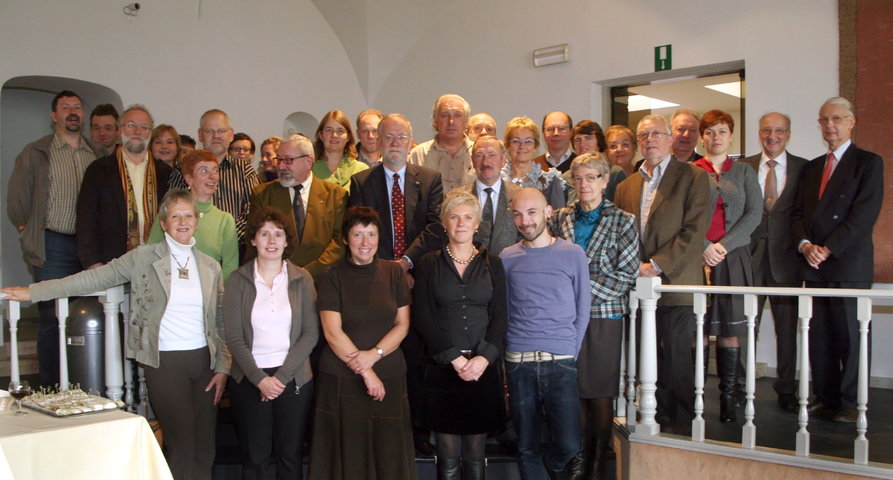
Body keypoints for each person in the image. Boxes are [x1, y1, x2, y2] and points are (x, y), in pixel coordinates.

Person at [2, 189, 229, 480]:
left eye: (188, 215)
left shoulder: (210, 265)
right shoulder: (143, 258)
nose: (182, 221)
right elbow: (91, 278)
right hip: (165, 363)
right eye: (175, 215)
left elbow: (221, 319)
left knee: (205, 448)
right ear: (164, 222)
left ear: (197, 221)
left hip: (205, 363)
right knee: (182, 446)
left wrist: (223, 366)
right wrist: (33, 291)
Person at [348, 113, 444, 455]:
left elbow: (436, 227)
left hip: (418, 279)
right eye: (388, 137)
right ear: (377, 140)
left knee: (417, 357)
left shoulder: (430, 179)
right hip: (377, 282)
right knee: (382, 354)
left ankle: (418, 430)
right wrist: (388, 268)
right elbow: (359, 230)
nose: (394, 144)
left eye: (401, 137)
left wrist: (405, 262)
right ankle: (382, 427)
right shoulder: (362, 182)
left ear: (411, 140)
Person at [613, 114, 710, 431]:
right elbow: (621, 235)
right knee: (647, 355)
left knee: (677, 355)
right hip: (639, 285)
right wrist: (635, 268)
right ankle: (656, 414)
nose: (650, 139)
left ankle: (683, 421)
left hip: (677, 282)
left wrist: (656, 264)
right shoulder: (627, 185)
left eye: (657, 133)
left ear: (670, 139)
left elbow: (694, 231)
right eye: (644, 135)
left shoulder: (693, 177)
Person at [791, 97, 884, 423]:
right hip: (813, 264)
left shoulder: (868, 163)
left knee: (851, 335)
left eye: (837, 119)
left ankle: (849, 401)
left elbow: (863, 216)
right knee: (819, 336)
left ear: (851, 122)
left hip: (848, 263)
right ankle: (826, 397)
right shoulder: (811, 167)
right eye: (824, 120)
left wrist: (828, 248)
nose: (830, 125)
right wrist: (805, 246)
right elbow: (798, 213)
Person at [309, 206, 417, 479]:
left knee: (389, 457)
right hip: (342, 379)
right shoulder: (331, 277)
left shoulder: (394, 273)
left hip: (389, 376)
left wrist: (375, 355)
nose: (365, 242)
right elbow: (333, 333)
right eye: (357, 234)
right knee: (348, 459)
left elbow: (402, 324)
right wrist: (367, 370)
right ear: (346, 238)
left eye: (371, 234)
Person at [550, 153, 638, 479]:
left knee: (599, 392)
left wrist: (579, 292)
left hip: (604, 316)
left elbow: (625, 276)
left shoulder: (623, 220)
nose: (584, 184)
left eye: (591, 177)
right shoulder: (559, 218)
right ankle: (576, 463)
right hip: (565, 319)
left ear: (604, 180)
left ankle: (597, 465)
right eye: (579, 178)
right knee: (572, 391)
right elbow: (551, 265)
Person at [413, 190, 508, 480]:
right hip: (443, 369)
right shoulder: (429, 263)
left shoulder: (493, 262)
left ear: (477, 223)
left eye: (468, 217)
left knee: (476, 455)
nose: (461, 223)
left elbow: (501, 316)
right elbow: (423, 316)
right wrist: (454, 358)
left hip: (483, 368)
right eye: (454, 217)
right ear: (444, 223)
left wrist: (483, 359)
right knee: (448, 456)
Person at [7, 89, 97, 386]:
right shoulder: (36, 152)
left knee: (84, 317)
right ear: (54, 116)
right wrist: (27, 229)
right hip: (53, 244)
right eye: (65, 107)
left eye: (77, 107)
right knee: (52, 320)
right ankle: (50, 387)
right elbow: (17, 201)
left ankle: (82, 382)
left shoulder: (96, 153)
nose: (72, 112)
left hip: (87, 246)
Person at [501, 187, 590, 480]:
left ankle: (553, 468)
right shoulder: (506, 257)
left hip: (561, 360)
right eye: (518, 214)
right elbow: (503, 310)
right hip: (519, 360)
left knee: (568, 443)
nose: (525, 221)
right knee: (526, 446)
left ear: (548, 212)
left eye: (531, 212)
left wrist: (569, 352)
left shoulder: (572, 253)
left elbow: (583, 307)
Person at [224, 207, 318, 480]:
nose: (272, 241)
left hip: (294, 377)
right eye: (264, 234)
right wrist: (260, 380)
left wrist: (279, 378)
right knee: (255, 457)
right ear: (253, 240)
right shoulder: (238, 280)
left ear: (287, 241)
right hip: (249, 379)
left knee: (290, 455)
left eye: (278, 234)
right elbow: (233, 336)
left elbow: (310, 333)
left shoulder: (302, 278)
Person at [692, 110, 761, 423]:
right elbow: (685, 216)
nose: (715, 137)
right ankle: (697, 396)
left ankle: (729, 398)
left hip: (733, 257)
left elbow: (753, 214)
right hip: (698, 258)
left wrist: (723, 246)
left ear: (731, 136)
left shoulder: (744, 172)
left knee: (731, 328)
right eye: (709, 132)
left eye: (721, 131)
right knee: (699, 329)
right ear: (702, 137)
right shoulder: (691, 171)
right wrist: (706, 246)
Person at [742, 112, 807, 413]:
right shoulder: (743, 167)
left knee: (787, 332)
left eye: (779, 130)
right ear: (759, 132)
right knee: (747, 327)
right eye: (767, 130)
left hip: (786, 262)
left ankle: (786, 390)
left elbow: (804, 214)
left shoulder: (803, 169)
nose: (772, 136)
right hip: (750, 260)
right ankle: (745, 386)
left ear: (788, 134)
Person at [76, 104, 173, 270]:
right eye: (131, 125)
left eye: (144, 127)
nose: (137, 131)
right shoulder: (98, 170)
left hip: (158, 263)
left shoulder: (166, 174)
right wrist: (93, 263)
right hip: (110, 264)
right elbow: (86, 220)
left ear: (150, 133)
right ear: (120, 131)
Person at [249, 133, 347, 281]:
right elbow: (255, 240)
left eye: (288, 160)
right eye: (279, 160)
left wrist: (308, 272)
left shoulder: (336, 195)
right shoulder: (263, 195)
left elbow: (339, 243)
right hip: (276, 281)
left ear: (308, 161)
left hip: (323, 281)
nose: (281, 166)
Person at [170, 109, 259, 247]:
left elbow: (253, 210)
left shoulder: (245, 170)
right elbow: (172, 208)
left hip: (235, 249)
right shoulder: (182, 169)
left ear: (231, 135)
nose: (216, 136)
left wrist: (226, 236)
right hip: (191, 247)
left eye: (222, 131)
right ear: (200, 135)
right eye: (210, 131)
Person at [148, 150, 238, 281]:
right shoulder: (169, 213)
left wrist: (215, 293)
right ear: (189, 179)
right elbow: (150, 256)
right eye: (204, 170)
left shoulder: (225, 220)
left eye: (215, 170)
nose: (212, 176)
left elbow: (230, 267)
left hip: (209, 296)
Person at [456, 135, 520, 254]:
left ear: (503, 159)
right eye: (479, 156)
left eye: (492, 155)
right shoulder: (455, 198)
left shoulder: (520, 197)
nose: (486, 162)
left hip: (509, 269)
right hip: (467, 270)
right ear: (472, 160)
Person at [409, 94, 476, 192]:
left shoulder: (478, 153)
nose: (451, 121)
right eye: (444, 115)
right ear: (435, 121)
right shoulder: (419, 154)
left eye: (457, 115)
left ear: (466, 121)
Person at [501, 116, 566, 209]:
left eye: (528, 141)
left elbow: (558, 219)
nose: (522, 146)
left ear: (535, 147)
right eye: (516, 141)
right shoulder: (497, 180)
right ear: (507, 145)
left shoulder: (549, 182)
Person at [565, 120, 626, 204]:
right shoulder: (566, 178)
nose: (582, 144)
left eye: (588, 138)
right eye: (577, 140)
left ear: (599, 142)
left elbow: (622, 207)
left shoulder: (614, 173)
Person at [312, 110, 368, 192]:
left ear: (348, 137)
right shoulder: (309, 169)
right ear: (321, 135)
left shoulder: (361, 170)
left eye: (340, 131)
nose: (334, 135)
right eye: (328, 130)